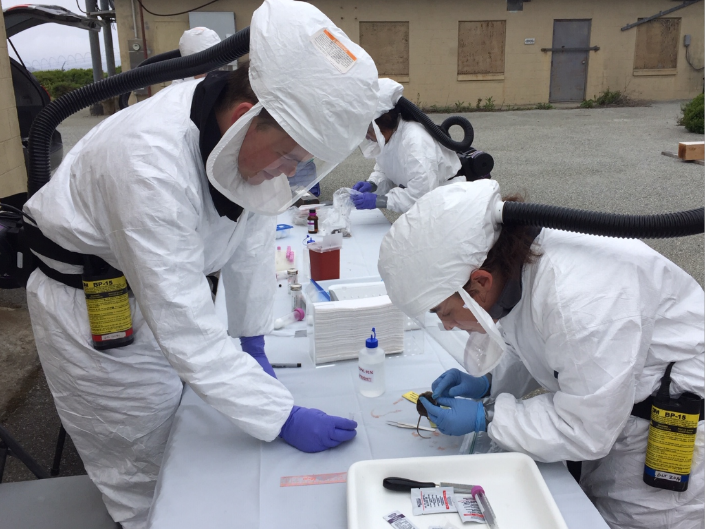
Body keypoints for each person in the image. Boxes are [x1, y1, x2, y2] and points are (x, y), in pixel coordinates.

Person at [23, 1, 378, 527]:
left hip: (152, 291)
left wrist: (252, 336)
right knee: (142, 459)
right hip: (94, 311)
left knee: (192, 427)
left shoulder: (242, 141)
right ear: (244, 120)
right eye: (288, 156)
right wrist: (280, 416)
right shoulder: (149, 164)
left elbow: (254, 237)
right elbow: (186, 330)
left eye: (300, 163)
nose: (288, 172)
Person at [378, 180, 704, 529]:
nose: (445, 325)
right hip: (614, 403)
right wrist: (488, 381)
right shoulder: (517, 265)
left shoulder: (578, 301)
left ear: (480, 283)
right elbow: (538, 340)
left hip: (667, 426)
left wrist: (488, 419)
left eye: (442, 311)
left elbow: (584, 429)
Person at [350, 78, 461, 213]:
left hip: (446, 203)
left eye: (369, 129)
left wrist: (380, 201)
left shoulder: (415, 143)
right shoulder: (389, 137)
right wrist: (373, 184)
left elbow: (421, 196)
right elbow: (385, 171)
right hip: (426, 205)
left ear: (384, 121)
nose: (367, 136)